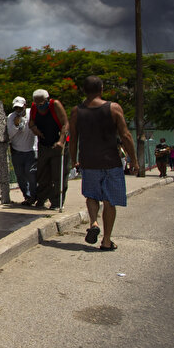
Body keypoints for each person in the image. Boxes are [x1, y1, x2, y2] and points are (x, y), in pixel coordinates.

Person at [68, 76, 139, 252]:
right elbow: (126, 136)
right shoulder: (113, 108)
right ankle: (106, 241)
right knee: (109, 202)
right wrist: (134, 160)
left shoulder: (77, 111)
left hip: (89, 162)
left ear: (84, 91)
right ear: (101, 89)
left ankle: (93, 223)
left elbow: (73, 139)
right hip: (111, 162)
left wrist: (73, 160)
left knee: (91, 196)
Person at [29, 89, 68, 209]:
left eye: (42, 104)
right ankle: (41, 199)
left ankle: (56, 202)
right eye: (37, 104)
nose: (40, 106)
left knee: (58, 175)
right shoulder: (34, 108)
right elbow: (31, 122)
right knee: (42, 174)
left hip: (57, 144)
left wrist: (61, 141)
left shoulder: (55, 105)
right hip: (43, 144)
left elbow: (65, 124)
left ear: (47, 100)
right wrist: (34, 129)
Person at [6, 96, 37, 206]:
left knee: (31, 174)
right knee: (20, 176)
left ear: (25, 106)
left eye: (20, 108)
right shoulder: (11, 117)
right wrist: (16, 125)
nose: (18, 111)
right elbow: (9, 134)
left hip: (31, 149)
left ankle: (34, 196)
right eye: (16, 108)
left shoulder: (31, 113)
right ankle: (27, 197)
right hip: (17, 150)